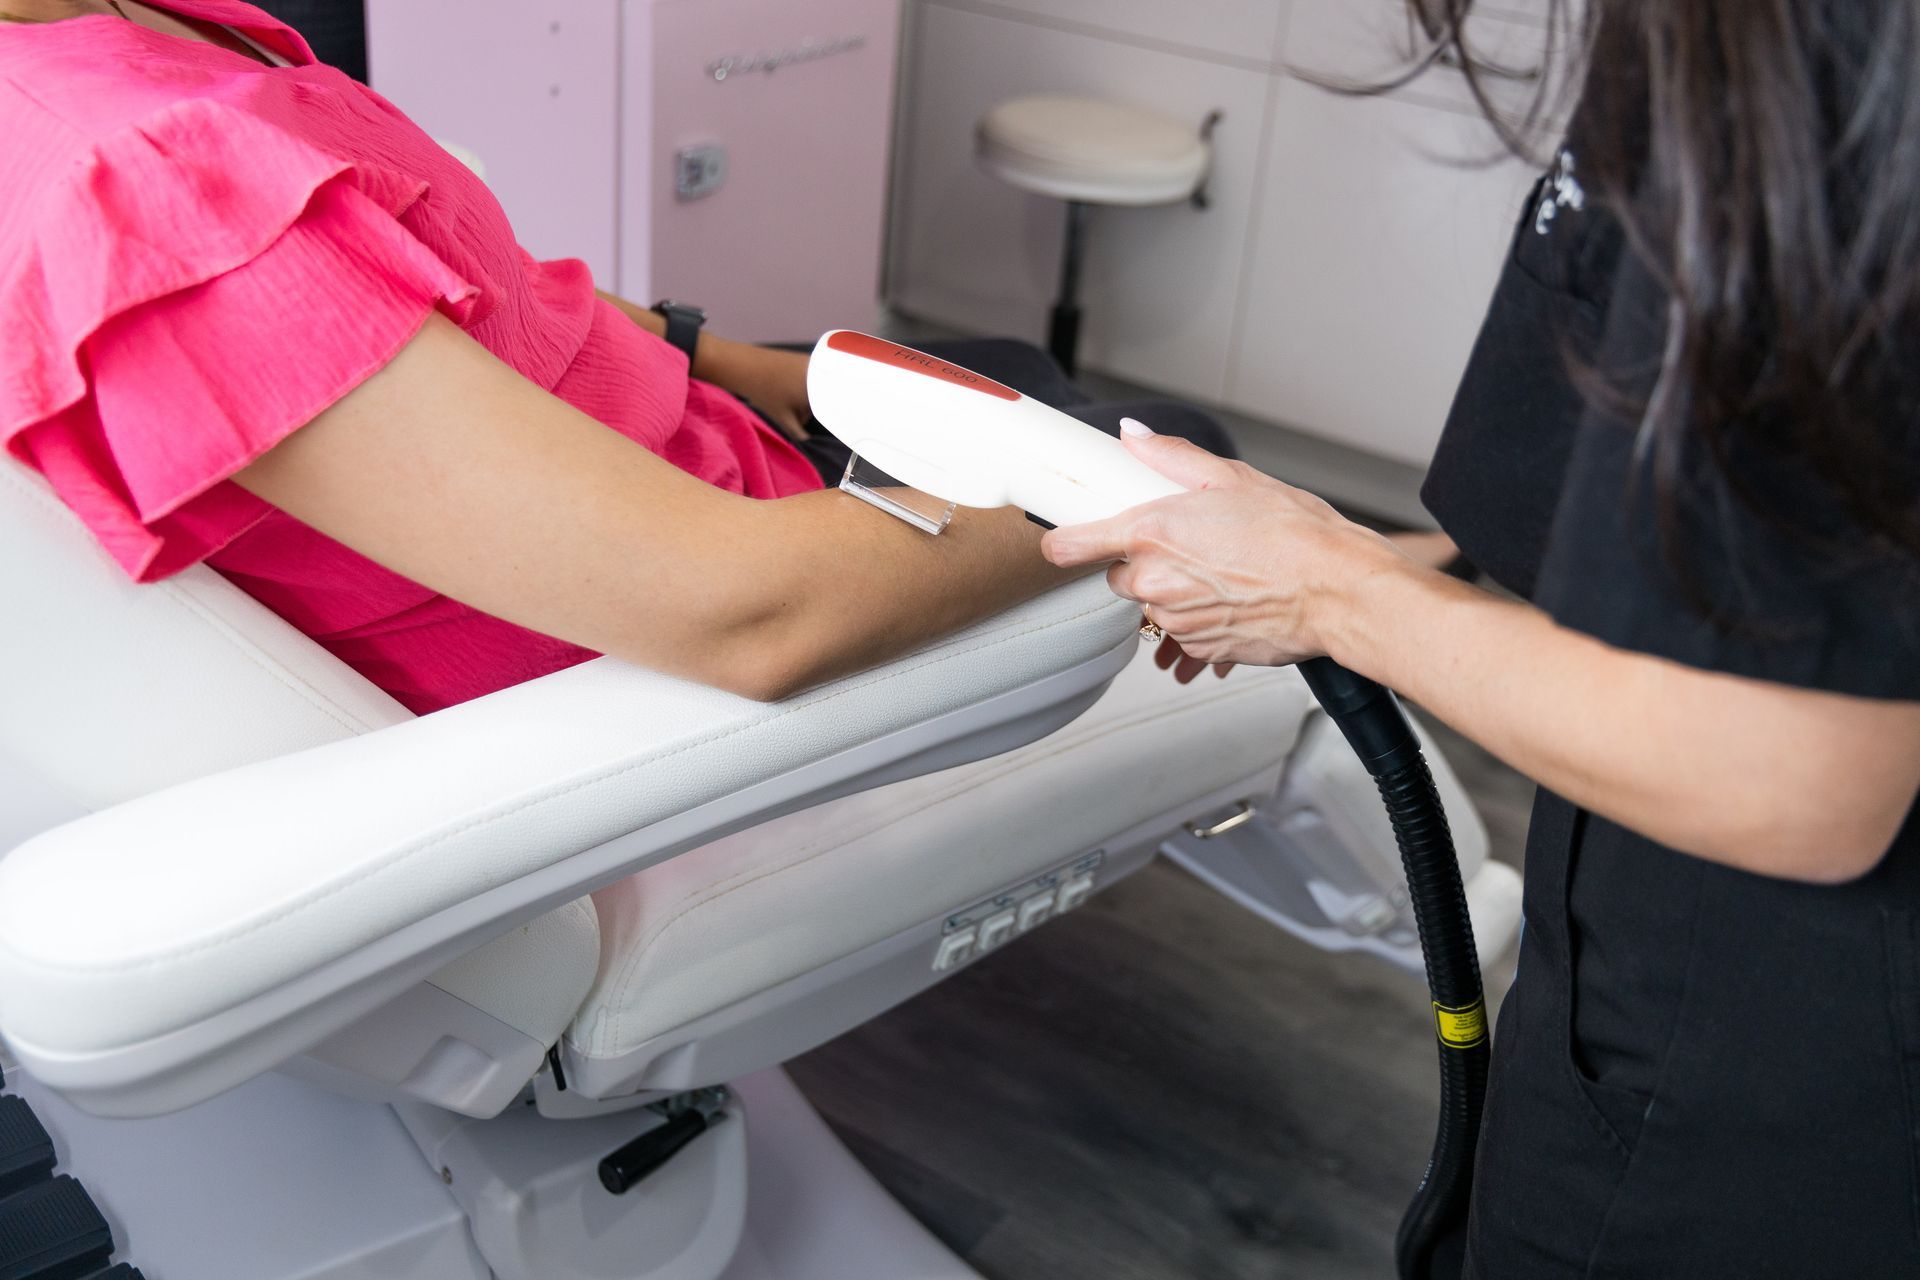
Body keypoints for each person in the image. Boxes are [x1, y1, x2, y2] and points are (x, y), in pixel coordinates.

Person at [1043, 3, 1920, 1276]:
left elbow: (1789, 772)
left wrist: (1331, 591)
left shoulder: (1834, 48)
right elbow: (1697, 459)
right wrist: (1367, 562)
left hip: (1773, 1061)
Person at [0, 0, 1231, 714]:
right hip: (716, 621)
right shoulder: (149, 181)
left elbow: (499, 300)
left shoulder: (138, 34)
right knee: (1187, 437)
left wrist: (758, 365)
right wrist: (1147, 509)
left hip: (710, 444)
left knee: (1014, 362)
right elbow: (751, 614)